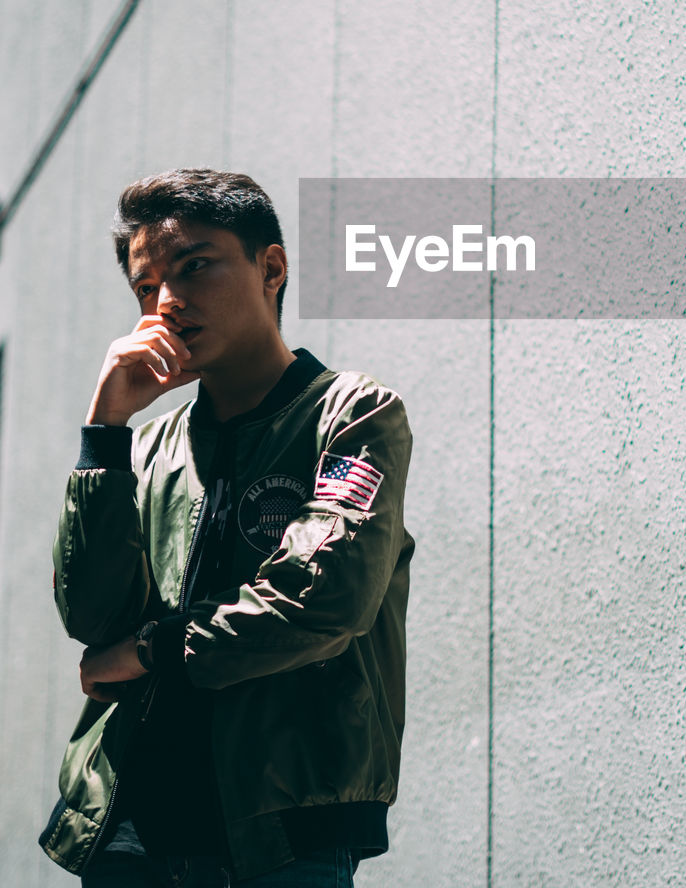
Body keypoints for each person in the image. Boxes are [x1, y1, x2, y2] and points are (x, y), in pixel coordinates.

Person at [39, 169, 415, 887]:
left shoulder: (351, 415)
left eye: (194, 266)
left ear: (270, 267)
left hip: (281, 832)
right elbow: (92, 618)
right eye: (146, 289)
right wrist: (105, 432)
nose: (168, 303)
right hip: (129, 834)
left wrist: (154, 648)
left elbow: (320, 598)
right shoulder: (144, 452)